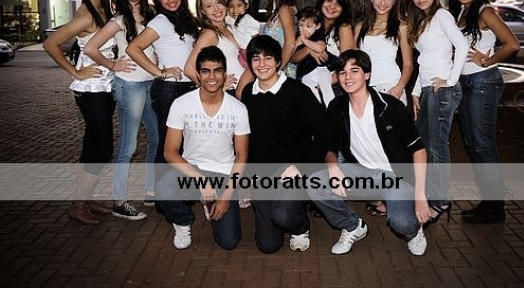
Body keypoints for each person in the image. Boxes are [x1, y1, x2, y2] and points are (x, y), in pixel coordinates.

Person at [307, 49, 431, 256]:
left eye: (354, 71)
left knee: (401, 222)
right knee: (315, 183)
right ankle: (352, 226)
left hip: (395, 176)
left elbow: (418, 150)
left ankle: (413, 232)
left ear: (367, 75)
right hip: (361, 173)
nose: (348, 77)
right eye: (342, 72)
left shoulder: (390, 106)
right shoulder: (337, 108)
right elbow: (328, 145)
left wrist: (419, 195)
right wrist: (333, 167)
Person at [241, 35, 334, 254]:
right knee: (268, 246)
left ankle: (300, 226)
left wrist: (303, 168)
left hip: (295, 170)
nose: (262, 64)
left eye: (268, 58)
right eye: (256, 59)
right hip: (264, 174)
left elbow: (327, 134)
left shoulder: (297, 92)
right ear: (250, 63)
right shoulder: (248, 93)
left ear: (277, 61)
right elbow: (248, 139)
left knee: (283, 216)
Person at [43, 0, 117, 225]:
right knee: (102, 147)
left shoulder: (102, 9)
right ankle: (77, 205)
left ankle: (87, 199)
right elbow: (51, 44)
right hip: (90, 89)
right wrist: (76, 72)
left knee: (93, 145)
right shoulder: (87, 15)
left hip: (104, 86)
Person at [156, 46, 249, 250]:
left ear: (224, 74)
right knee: (163, 189)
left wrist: (226, 197)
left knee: (228, 242)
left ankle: (213, 204)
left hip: (223, 172)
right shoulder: (181, 104)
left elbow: (242, 156)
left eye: (217, 71)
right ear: (198, 74)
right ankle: (183, 221)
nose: (212, 77)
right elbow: (170, 152)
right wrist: (201, 180)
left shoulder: (238, 109)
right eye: (205, 71)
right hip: (192, 170)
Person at [84, 0, 159, 220]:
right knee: (129, 146)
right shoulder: (118, 20)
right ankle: (119, 201)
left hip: (150, 84)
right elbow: (91, 48)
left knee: (157, 138)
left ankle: (151, 191)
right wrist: (113, 65)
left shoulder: (151, 14)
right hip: (129, 87)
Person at [448, 0, 519, 224]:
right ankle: (488, 203)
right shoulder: (460, 12)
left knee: (483, 144)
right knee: (472, 144)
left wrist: (487, 60)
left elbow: (512, 44)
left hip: (482, 82)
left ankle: (495, 207)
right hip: (466, 83)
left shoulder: (485, 11)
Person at [403, 0, 470, 222]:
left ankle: (440, 201)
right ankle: (429, 195)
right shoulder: (422, 20)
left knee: (437, 146)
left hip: (442, 90)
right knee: (422, 144)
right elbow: (425, 60)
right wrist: (415, 91)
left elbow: (462, 45)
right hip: (428, 91)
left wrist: (450, 81)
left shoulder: (442, 16)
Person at [126, 0, 200, 172]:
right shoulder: (160, 21)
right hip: (169, 90)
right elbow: (133, 48)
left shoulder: (186, 19)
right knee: (169, 147)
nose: (171, 0)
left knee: (182, 147)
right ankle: (162, 191)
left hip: (188, 88)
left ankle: (173, 188)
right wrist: (160, 72)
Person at [355, 0, 414, 103]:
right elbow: (352, 59)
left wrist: (399, 88)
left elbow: (408, 65)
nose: (382, 3)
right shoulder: (360, 27)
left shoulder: (401, 27)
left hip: (391, 86)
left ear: (394, 1)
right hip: (364, 88)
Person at [291, 0, 355, 95]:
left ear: (343, 8)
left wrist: (326, 84)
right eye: (329, 0)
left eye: (338, 4)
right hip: (309, 83)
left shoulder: (344, 28)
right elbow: (293, 58)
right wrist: (309, 50)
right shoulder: (310, 25)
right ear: (322, 0)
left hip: (334, 87)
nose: (332, 6)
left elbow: (347, 63)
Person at [184, 0, 245, 95]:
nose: (216, 9)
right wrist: (215, 89)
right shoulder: (209, 34)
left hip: (243, 90)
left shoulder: (230, 27)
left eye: (218, 2)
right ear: (203, 11)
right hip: (229, 92)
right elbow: (189, 69)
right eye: (209, 6)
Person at [259, 0, 299, 79]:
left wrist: (278, 70)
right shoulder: (280, 9)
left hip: (282, 71)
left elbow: (290, 44)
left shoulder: (284, 9)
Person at [294, 7, 339, 107]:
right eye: (301, 25)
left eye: (309, 26)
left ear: (317, 26)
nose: (304, 29)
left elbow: (320, 47)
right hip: (306, 71)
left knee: (326, 88)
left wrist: (304, 41)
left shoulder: (318, 35)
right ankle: (317, 110)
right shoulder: (298, 36)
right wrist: (296, 43)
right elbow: (293, 56)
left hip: (321, 68)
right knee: (309, 90)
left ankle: (332, 109)